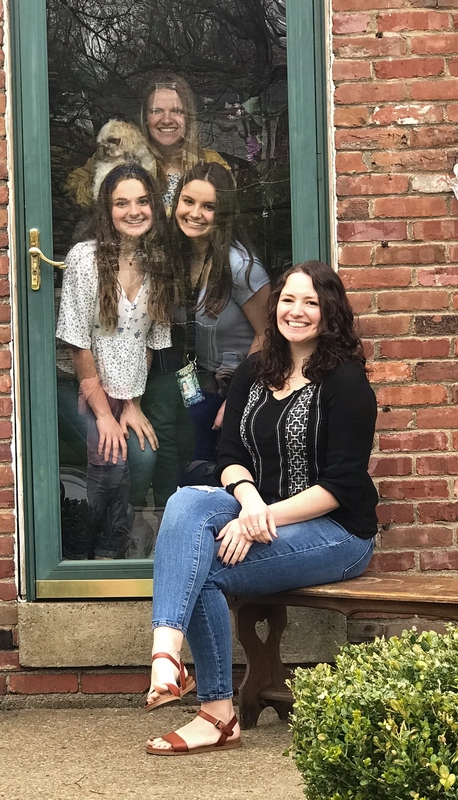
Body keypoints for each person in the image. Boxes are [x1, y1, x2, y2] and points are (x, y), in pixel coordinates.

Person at [144, 260, 378, 755]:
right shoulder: (255, 369)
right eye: (288, 300)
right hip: (260, 511)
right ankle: (165, 654)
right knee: (186, 499)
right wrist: (249, 503)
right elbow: (228, 456)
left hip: (336, 531)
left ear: (330, 312)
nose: (297, 311)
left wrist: (259, 521)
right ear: (275, 308)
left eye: (311, 302)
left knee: (206, 570)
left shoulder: (347, 383)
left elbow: (340, 485)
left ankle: (216, 715)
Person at [56, 164, 171, 560]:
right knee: (109, 457)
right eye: (121, 203)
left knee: (143, 455)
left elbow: (149, 340)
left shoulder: (157, 261)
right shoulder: (84, 259)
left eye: (142, 201)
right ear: (106, 210)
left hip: (128, 391)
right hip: (80, 388)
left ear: (154, 207)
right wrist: (105, 413)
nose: (133, 211)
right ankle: (91, 554)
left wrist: (133, 405)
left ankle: (117, 542)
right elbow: (77, 343)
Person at [155, 161, 270, 481]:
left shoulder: (241, 266)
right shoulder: (178, 256)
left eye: (209, 207)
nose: (195, 213)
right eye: (188, 201)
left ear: (224, 213)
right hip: (197, 385)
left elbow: (269, 334)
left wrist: (236, 402)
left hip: (236, 390)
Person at [66, 73, 228, 212]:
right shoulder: (118, 150)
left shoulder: (209, 161)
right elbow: (74, 186)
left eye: (177, 111)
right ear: (146, 118)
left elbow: (225, 210)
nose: (166, 120)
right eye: (157, 111)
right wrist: (110, 191)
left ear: (188, 116)